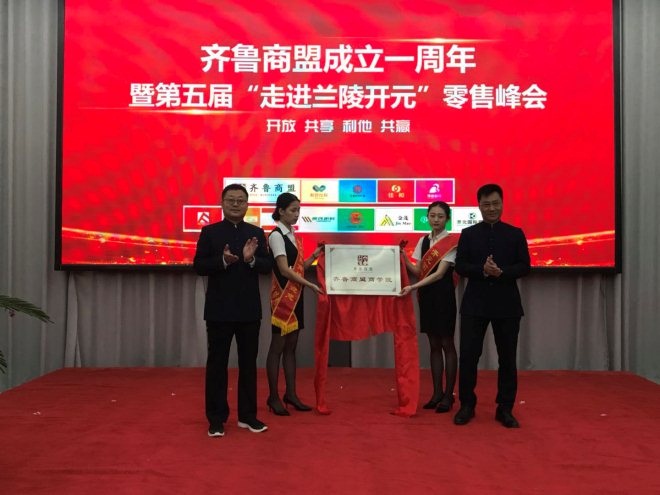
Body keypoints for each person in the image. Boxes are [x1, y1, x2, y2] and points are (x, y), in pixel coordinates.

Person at [193, 183, 273, 437]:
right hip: (219, 311)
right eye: (231, 200)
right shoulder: (210, 232)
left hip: (249, 310)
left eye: (241, 200)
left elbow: (268, 267)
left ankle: (248, 416)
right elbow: (199, 266)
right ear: (222, 203)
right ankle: (216, 419)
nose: (236, 204)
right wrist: (222, 261)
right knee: (217, 365)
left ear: (247, 204)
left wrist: (251, 259)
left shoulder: (256, 233)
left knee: (249, 364)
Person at [453, 184, 530, 428]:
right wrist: (483, 271)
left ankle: (505, 408)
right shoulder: (468, 234)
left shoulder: (515, 234)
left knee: (507, 358)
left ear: (502, 203)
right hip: (475, 305)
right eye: (486, 204)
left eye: (496, 203)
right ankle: (467, 404)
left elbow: (525, 266)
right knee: (468, 356)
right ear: (479, 206)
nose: (492, 208)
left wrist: (502, 272)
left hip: (507, 305)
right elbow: (460, 266)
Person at [265, 192, 323, 416]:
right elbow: (284, 270)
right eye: (293, 210)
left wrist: (315, 255)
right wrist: (310, 285)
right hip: (283, 298)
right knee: (277, 347)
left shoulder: (293, 236)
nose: (297, 214)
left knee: (291, 347)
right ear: (281, 211)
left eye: (298, 210)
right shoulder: (276, 235)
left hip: (295, 297)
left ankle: (291, 394)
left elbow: (298, 268)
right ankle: (273, 396)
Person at [400, 201, 459, 414]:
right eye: (432, 216)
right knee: (433, 344)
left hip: (443, 297)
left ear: (447, 219)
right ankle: (436, 393)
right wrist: (403, 257)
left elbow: (440, 274)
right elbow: (418, 270)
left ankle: (448, 396)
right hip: (427, 297)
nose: (436, 220)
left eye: (440, 216)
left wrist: (413, 287)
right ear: (427, 217)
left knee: (447, 343)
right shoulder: (423, 240)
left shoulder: (451, 243)